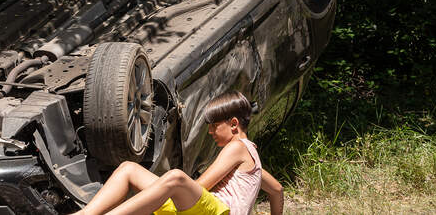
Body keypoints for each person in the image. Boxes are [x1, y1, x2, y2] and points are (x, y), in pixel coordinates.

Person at [76, 91, 284, 215]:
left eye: (214, 126)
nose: (210, 132)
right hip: (202, 211)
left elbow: (201, 186)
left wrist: (163, 192)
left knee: (176, 178)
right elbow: (276, 189)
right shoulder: (251, 160)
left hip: (218, 212)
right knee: (129, 169)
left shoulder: (237, 147)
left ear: (234, 124)